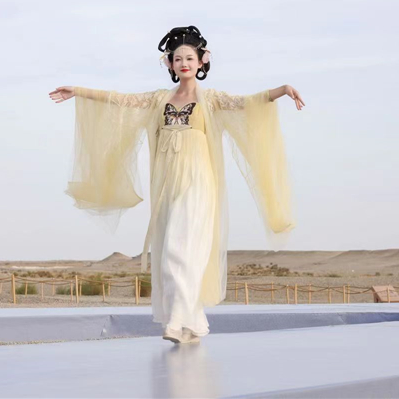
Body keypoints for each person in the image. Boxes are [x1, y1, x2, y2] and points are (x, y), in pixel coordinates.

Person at [48, 25, 304, 344]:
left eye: (190, 58)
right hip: (167, 184)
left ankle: (176, 320)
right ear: (169, 63)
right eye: (178, 58)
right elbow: (121, 101)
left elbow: (247, 103)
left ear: (201, 61)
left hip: (198, 182)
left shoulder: (211, 100)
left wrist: (282, 90)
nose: (184, 63)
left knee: (177, 250)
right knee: (178, 252)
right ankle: (194, 324)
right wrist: (79, 91)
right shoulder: (160, 99)